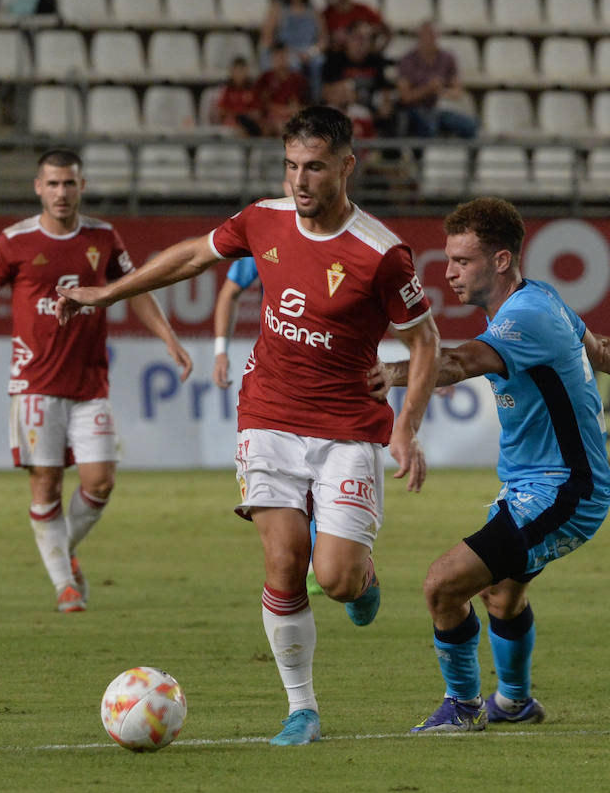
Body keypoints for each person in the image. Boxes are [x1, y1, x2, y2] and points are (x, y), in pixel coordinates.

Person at [54, 106, 441, 746]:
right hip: (268, 417)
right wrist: (104, 294)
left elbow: (424, 342)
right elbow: (190, 258)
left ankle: (362, 577)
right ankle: (302, 708)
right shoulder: (262, 220)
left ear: (347, 166)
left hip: (347, 427)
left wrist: (408, 428)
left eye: (314, 166)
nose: (300, 181)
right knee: (284, 562)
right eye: (291, 166)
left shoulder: (380, 254)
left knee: (336, 576)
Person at [381, 197, 610, 733]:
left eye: (462, 261)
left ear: (499, 261)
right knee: (501, 593)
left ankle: (463, 708)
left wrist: (385, 374)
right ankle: (514, 702)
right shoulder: (540, 298)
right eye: (447, 259)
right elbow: (603, 349)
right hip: (533, 486)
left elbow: (452, 362)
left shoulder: (527, 316)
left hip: (564, 493)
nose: (447, 272)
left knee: (442, 585)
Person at [0, 148, 192, 613]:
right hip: (35, 384)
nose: (61, 192)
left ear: (82, 186)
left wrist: (168, 338)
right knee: (46, 485)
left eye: (69, 183)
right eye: (53, 184)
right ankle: (65, 584)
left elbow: (135, 290)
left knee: (100, 482)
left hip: (89, 385)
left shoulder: (103, 236)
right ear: (38, 187)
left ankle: (60, 550)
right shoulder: (13, 241)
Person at [394, 21, 480, 139]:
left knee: (470, 124)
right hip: (415, 110)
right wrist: (427, 89)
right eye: (426, 35)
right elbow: (405, 97)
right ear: (419, 37)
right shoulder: (407, 60)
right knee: (428, 125)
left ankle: (468, 156)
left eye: (432, 35)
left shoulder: (448, 58)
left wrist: (440, 91)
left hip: (439, 109)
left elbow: (457, 92)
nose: (429, 39)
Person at [259, 0, 327, 100]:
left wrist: (311, 52)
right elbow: (267, 38)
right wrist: (286, 53)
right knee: (292, 63)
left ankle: (314, 101)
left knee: (319, 62)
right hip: (285, 51)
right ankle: (290, 100)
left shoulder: (313, 11)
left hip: (308, 52)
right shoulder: (278, 9)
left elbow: (323, 39)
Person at [211, 255, 259, 391]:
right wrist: (221, 353)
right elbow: (229, 294)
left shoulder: (324, 248)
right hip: (276, 364)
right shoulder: (271, 239)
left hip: (322, 364)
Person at [321, 0, 389, 52]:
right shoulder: (326, 14)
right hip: (336, 56)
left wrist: (377, 50)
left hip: (363, 57)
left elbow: (385, 29)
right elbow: (321, 39)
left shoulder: (364, 10)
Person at [255, 42, 311, 136]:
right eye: (276, 56)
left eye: (283, 56)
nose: (280, 60)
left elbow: (305, 106)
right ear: (271, 58)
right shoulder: (264, 78)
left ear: (288, 57)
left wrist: (291, 111)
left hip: (293, 118)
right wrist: (280, 111)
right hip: (270, 121)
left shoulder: (299, 80)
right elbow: (261, 105)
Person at [206, 56, 263, 135]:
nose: (239, 74)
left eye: (242, 70)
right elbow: (221, 111)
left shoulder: (252, 90)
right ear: (232, 72)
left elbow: (257, 113)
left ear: (246, 71)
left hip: (248, 124)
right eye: (237, 71)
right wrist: (236, 115)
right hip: (232, 124)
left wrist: (243, 116)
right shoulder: (227, 90)